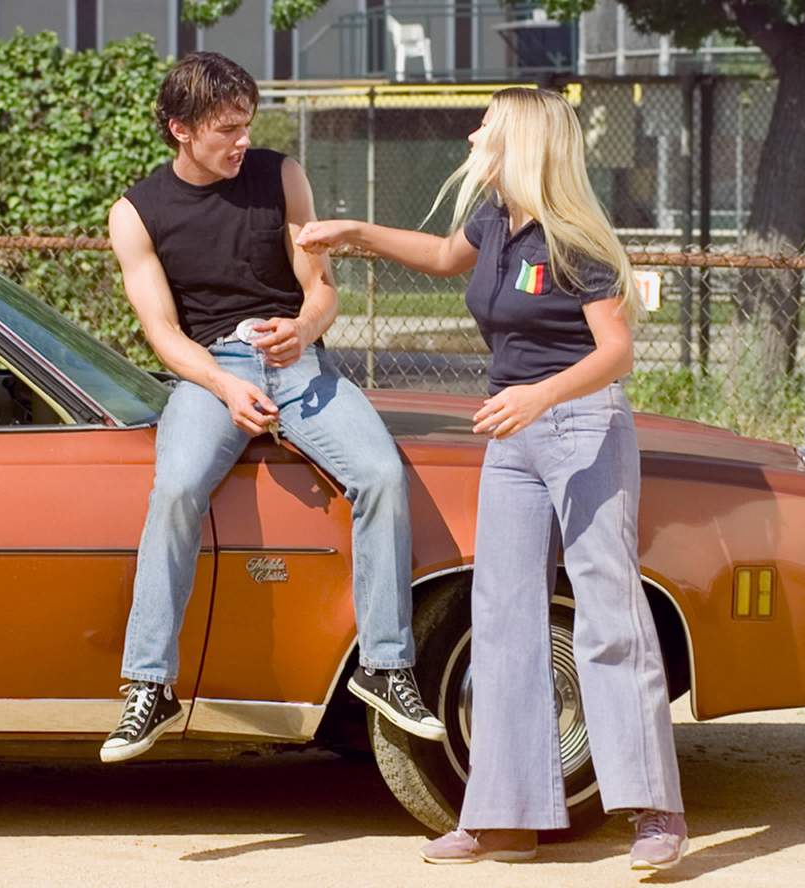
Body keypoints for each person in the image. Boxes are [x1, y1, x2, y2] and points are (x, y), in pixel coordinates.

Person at [296, 87, 688, 871]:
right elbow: (446, 259)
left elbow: (616, 355)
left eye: (488, 124)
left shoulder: (576, 238)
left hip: (581, 427)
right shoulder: (494, 223)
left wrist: (540, 396)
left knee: (608, 613)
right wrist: (356, 232)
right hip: (511, 434)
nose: (474, 133)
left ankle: (654, 812)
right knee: (503, 619)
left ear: (523, 140)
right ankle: (506, 818)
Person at [100, 52, 444, 765]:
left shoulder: (281, 175)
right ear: (180, 130)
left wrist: (305, 329)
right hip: (208, 371)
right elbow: (163, 334)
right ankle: (149, 686)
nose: (241, 141)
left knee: (380, 474)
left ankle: (385, 665)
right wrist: (227, 388)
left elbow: (321, 291)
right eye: (226, 129)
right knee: (176, 490)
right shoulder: (135, 214)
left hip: (296, 359)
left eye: (247, 126)